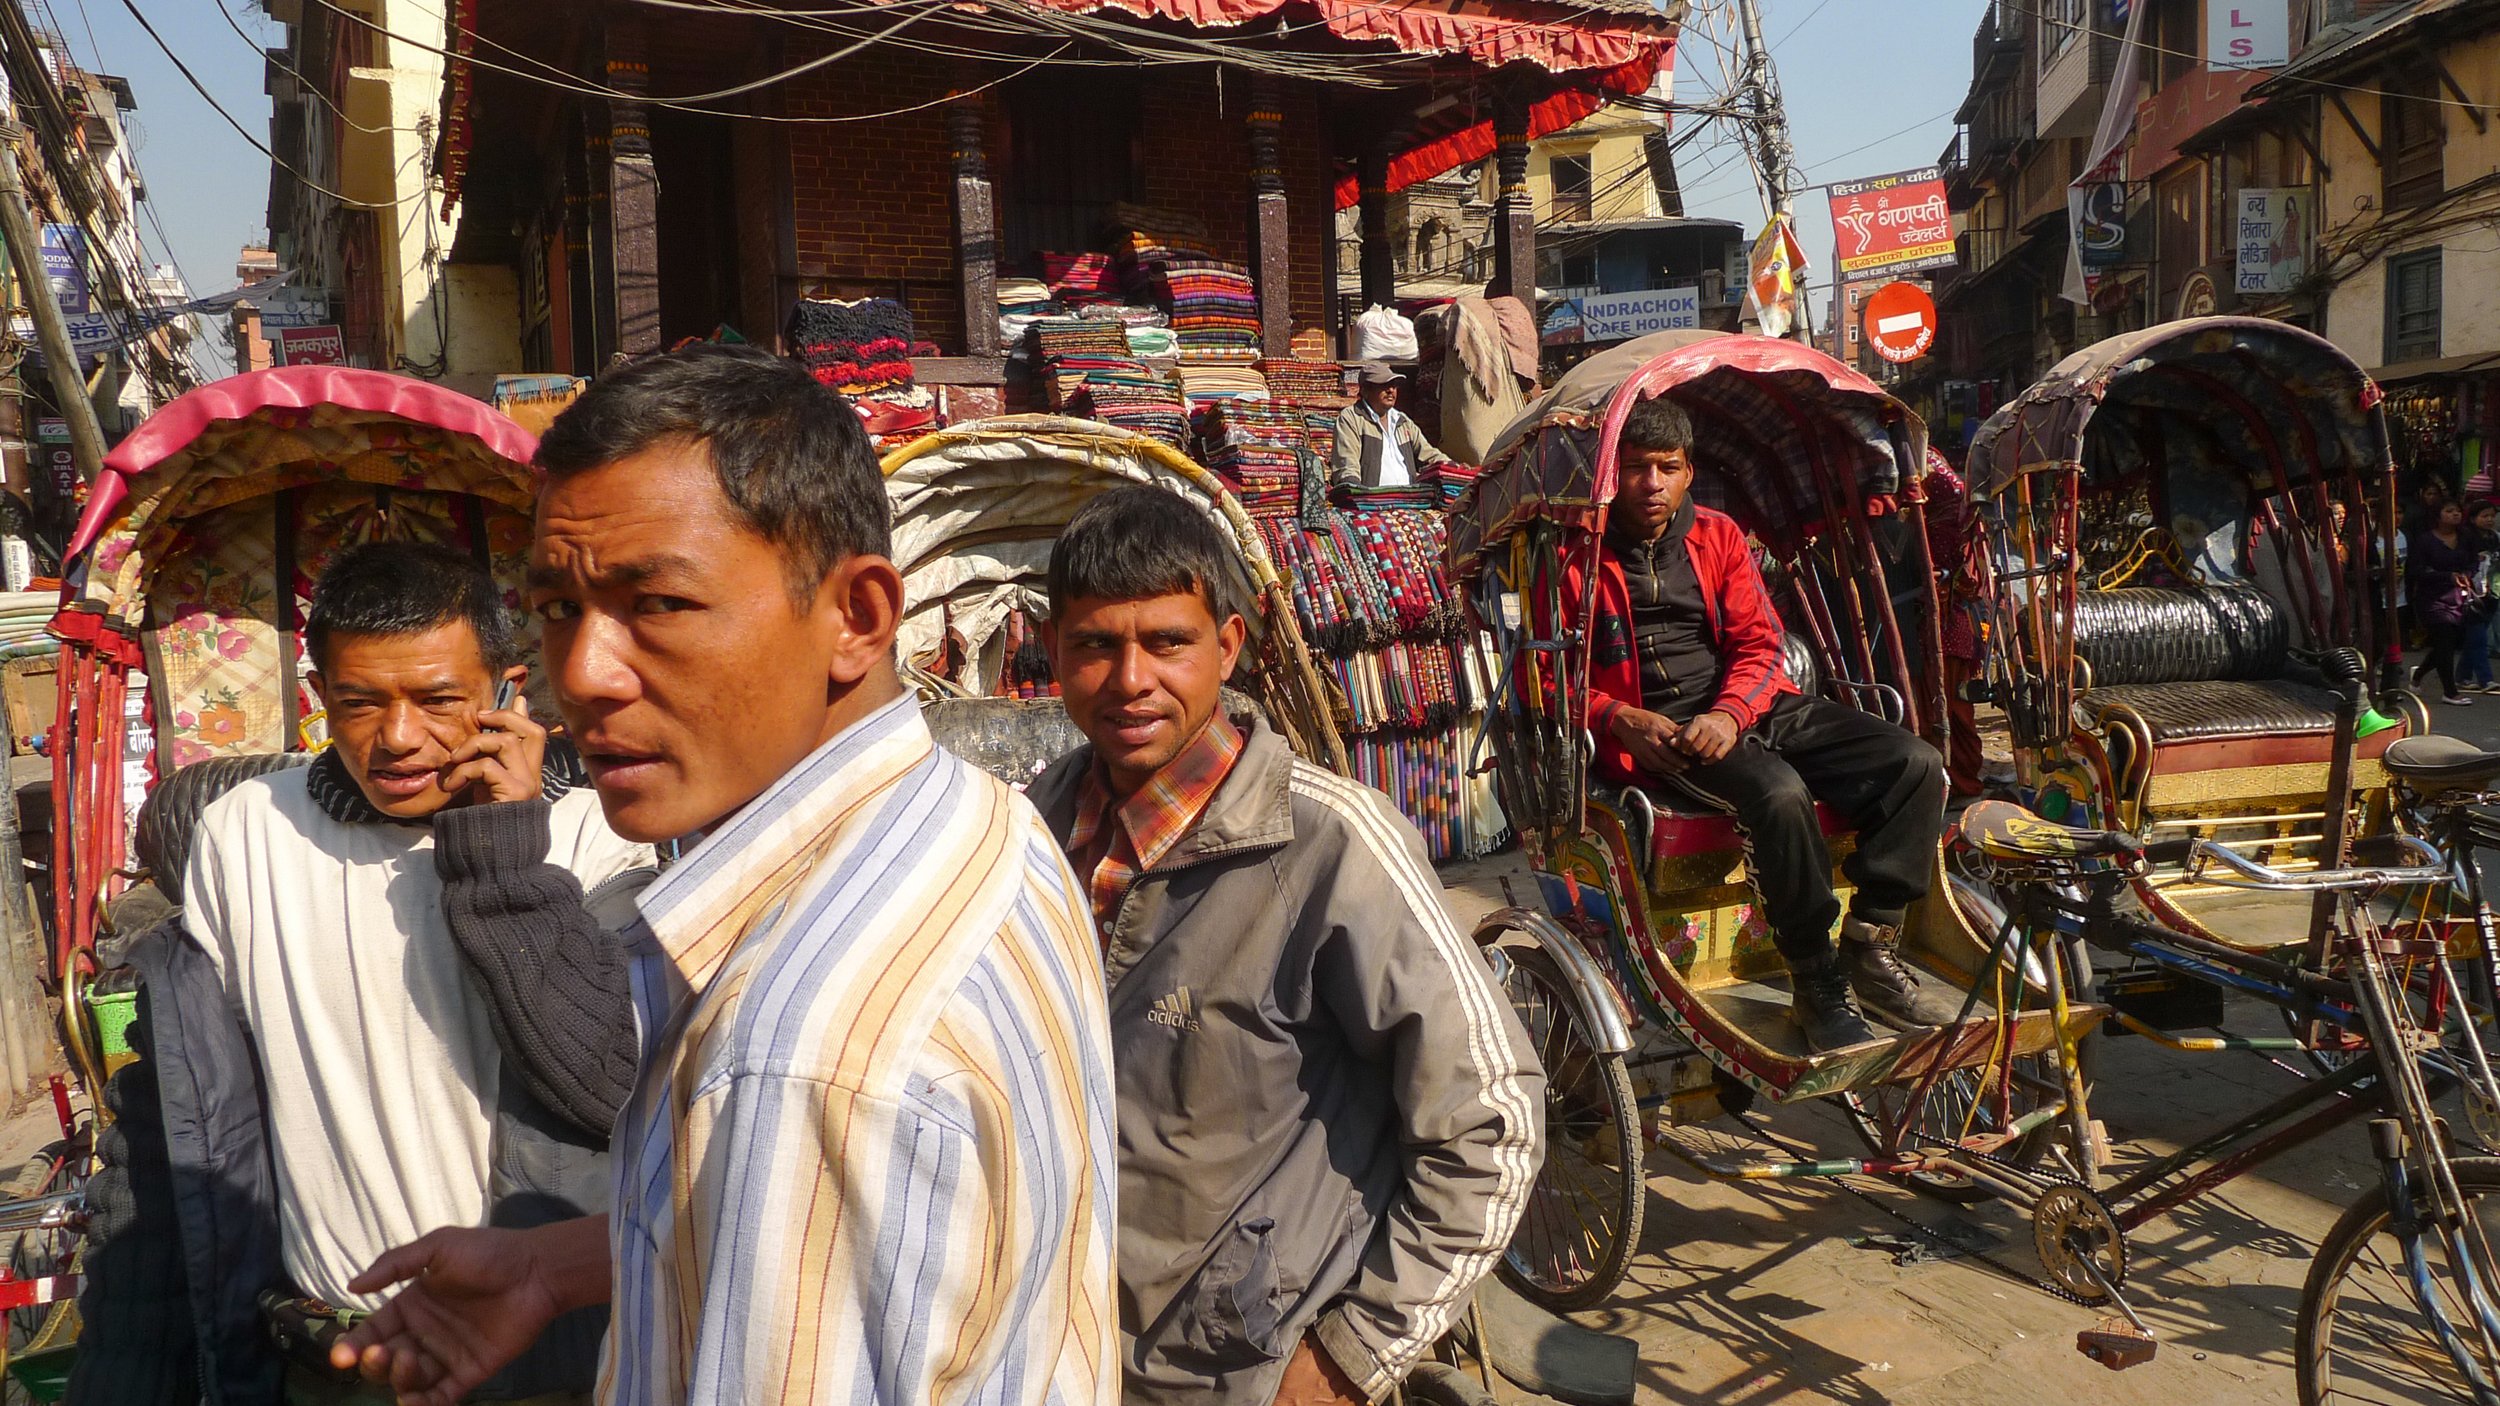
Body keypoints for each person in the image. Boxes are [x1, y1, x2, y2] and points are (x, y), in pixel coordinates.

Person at [330, 344, 1119, 1406]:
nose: (582, 677)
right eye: (559, 607)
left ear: (858, 616)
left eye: (656, 604)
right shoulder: (977, 819)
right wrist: (558, 1262)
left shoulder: (795, 1050)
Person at [69, 540, 655, 1406]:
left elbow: (608, 1086)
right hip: (329, 1363)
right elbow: (178, 1122)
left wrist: (501, 856)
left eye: (439, 699)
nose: (399, 737)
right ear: (318, 702)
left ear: (508, 693)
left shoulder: (597, 836)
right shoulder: (247, 835)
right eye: (359, 703)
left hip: (552, 1365)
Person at [1028, 485, 1541, 1405]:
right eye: (1096, 645)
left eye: (1167, 643)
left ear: (1228, 645)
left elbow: (1491, 1122)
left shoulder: (1330, 844)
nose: (1130, 679)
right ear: (1053, 651)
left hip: (1246, 1365)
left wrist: (1350, 1359)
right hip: (1064, 1349)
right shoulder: (1030, 831)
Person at [1576, 396, 1954, 1052]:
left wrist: (1729, 712)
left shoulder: (1717, 534)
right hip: (1666, 730)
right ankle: (1814, 976)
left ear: (1689, 471)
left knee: (1915, 762)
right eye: (1637, 468)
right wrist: (1614, 717)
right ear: (1614, 474)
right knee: (1778, 794)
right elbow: (1543, 679)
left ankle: (1870, 944)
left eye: (1667, 467)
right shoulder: (1576, 551)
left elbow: (1760, 643)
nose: (1652, 483)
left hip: (1747, 706)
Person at [1330, 362, 1451, 490]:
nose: (1391, 390)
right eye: (1383, 385)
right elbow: (1347, 466)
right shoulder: (1352, 418)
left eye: (1393, 385)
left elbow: (1428, 454)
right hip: (1372, 502)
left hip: (1410, 500)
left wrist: (1456, 469)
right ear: (1365, 390)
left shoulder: (1402, 421)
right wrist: (1357, 495)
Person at [2414, 498, 2480, 706]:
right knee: (2444, 638)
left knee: (2447, 644)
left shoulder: (2466, 537)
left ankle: (2418, 675)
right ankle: (2450, 692)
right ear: (2438, 515)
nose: (2455, 514)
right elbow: (2417, 570)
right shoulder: (2425, 540)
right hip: (2432, 598)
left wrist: (2467, 574)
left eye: (2458, 511)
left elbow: (2473, 562)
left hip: (2458, 597)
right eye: (2449, 510)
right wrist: (2447, 576)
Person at [2466, 501, 2500, 694]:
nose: (2489, 520)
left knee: (2475, 637)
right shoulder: (2466, 538)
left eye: (2491, 516)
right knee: (2478, 637)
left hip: (2492, 591)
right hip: (2471, 592)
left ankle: (2462, 676)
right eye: (2484, 516)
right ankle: (2485, 679)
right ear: (2473, 519)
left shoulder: (2495, 538)